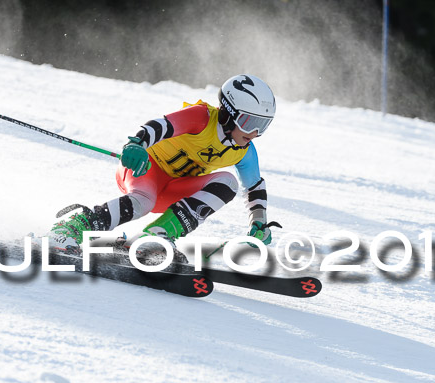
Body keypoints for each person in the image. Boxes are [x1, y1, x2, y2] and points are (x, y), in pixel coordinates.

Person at [49, 74, 277, 257]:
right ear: (228, 113)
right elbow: (159, 126)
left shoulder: (244, 151)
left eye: (263, 126)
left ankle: (155, 236)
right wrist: (137, 143)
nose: (255, 133)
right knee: (143, 201)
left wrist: (258, 222)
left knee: (228, 182)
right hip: (143, 168)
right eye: (250, 123)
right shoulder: (202, 117)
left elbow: (254, 187)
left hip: (173, 189)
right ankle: (70, 229)